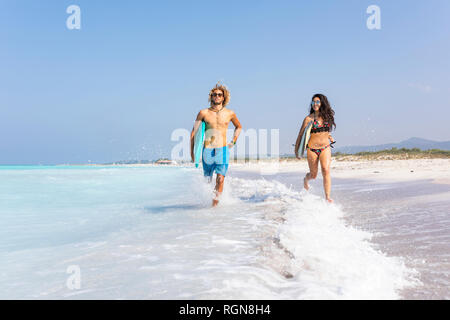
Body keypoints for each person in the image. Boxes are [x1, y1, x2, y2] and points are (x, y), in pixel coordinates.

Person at [190, 83, 242, 207]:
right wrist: (192, 152)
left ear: (223, 97)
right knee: (207, 181)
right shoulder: (203, 113)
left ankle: (214, 207)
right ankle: (205, 202)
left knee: (220, 179)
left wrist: (234, 140)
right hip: (207, 150)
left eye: (220, 95)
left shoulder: (230, 113)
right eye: (214, 95)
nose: (217, 97)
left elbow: (238, 127)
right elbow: (193, 132)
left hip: (222, 150)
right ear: (211, 97)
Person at [295, 94, 336, 203]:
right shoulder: (308, 119)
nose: (315, 104)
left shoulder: (328, 117)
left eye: (317, 102)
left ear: (322, 103)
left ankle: (327, 197)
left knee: (326, 170)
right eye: (313, 102)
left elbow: (326, 130)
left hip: (325, 148)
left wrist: (329, 136)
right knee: (313, 175)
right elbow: (300, 135)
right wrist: (297, 151)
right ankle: (306, 179)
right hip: (312, 149)